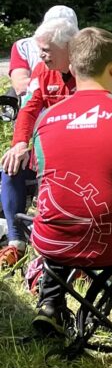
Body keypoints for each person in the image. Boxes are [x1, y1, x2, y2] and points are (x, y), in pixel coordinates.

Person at [29, 27, 112, 336]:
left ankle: (50, 303)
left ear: (72, 68)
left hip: (53, 242)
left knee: (65, 212)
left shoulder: (45, 119)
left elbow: (48, 186)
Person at [0, 17, 79, 268]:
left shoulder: (87, 70)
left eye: (46, 50)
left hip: (80, 151)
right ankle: (16, 244)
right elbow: (28, 108)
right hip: (47, 147)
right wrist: (20, 143)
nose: (41, 55)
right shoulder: (42, 70)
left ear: (67, 48)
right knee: (10, 165)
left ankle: (63, 242)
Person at [7, 5, 79, 97]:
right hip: (35, 97)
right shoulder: (23, 46)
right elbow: (20, 86)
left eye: (65, 30)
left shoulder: (82, 46)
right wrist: (48, 84)